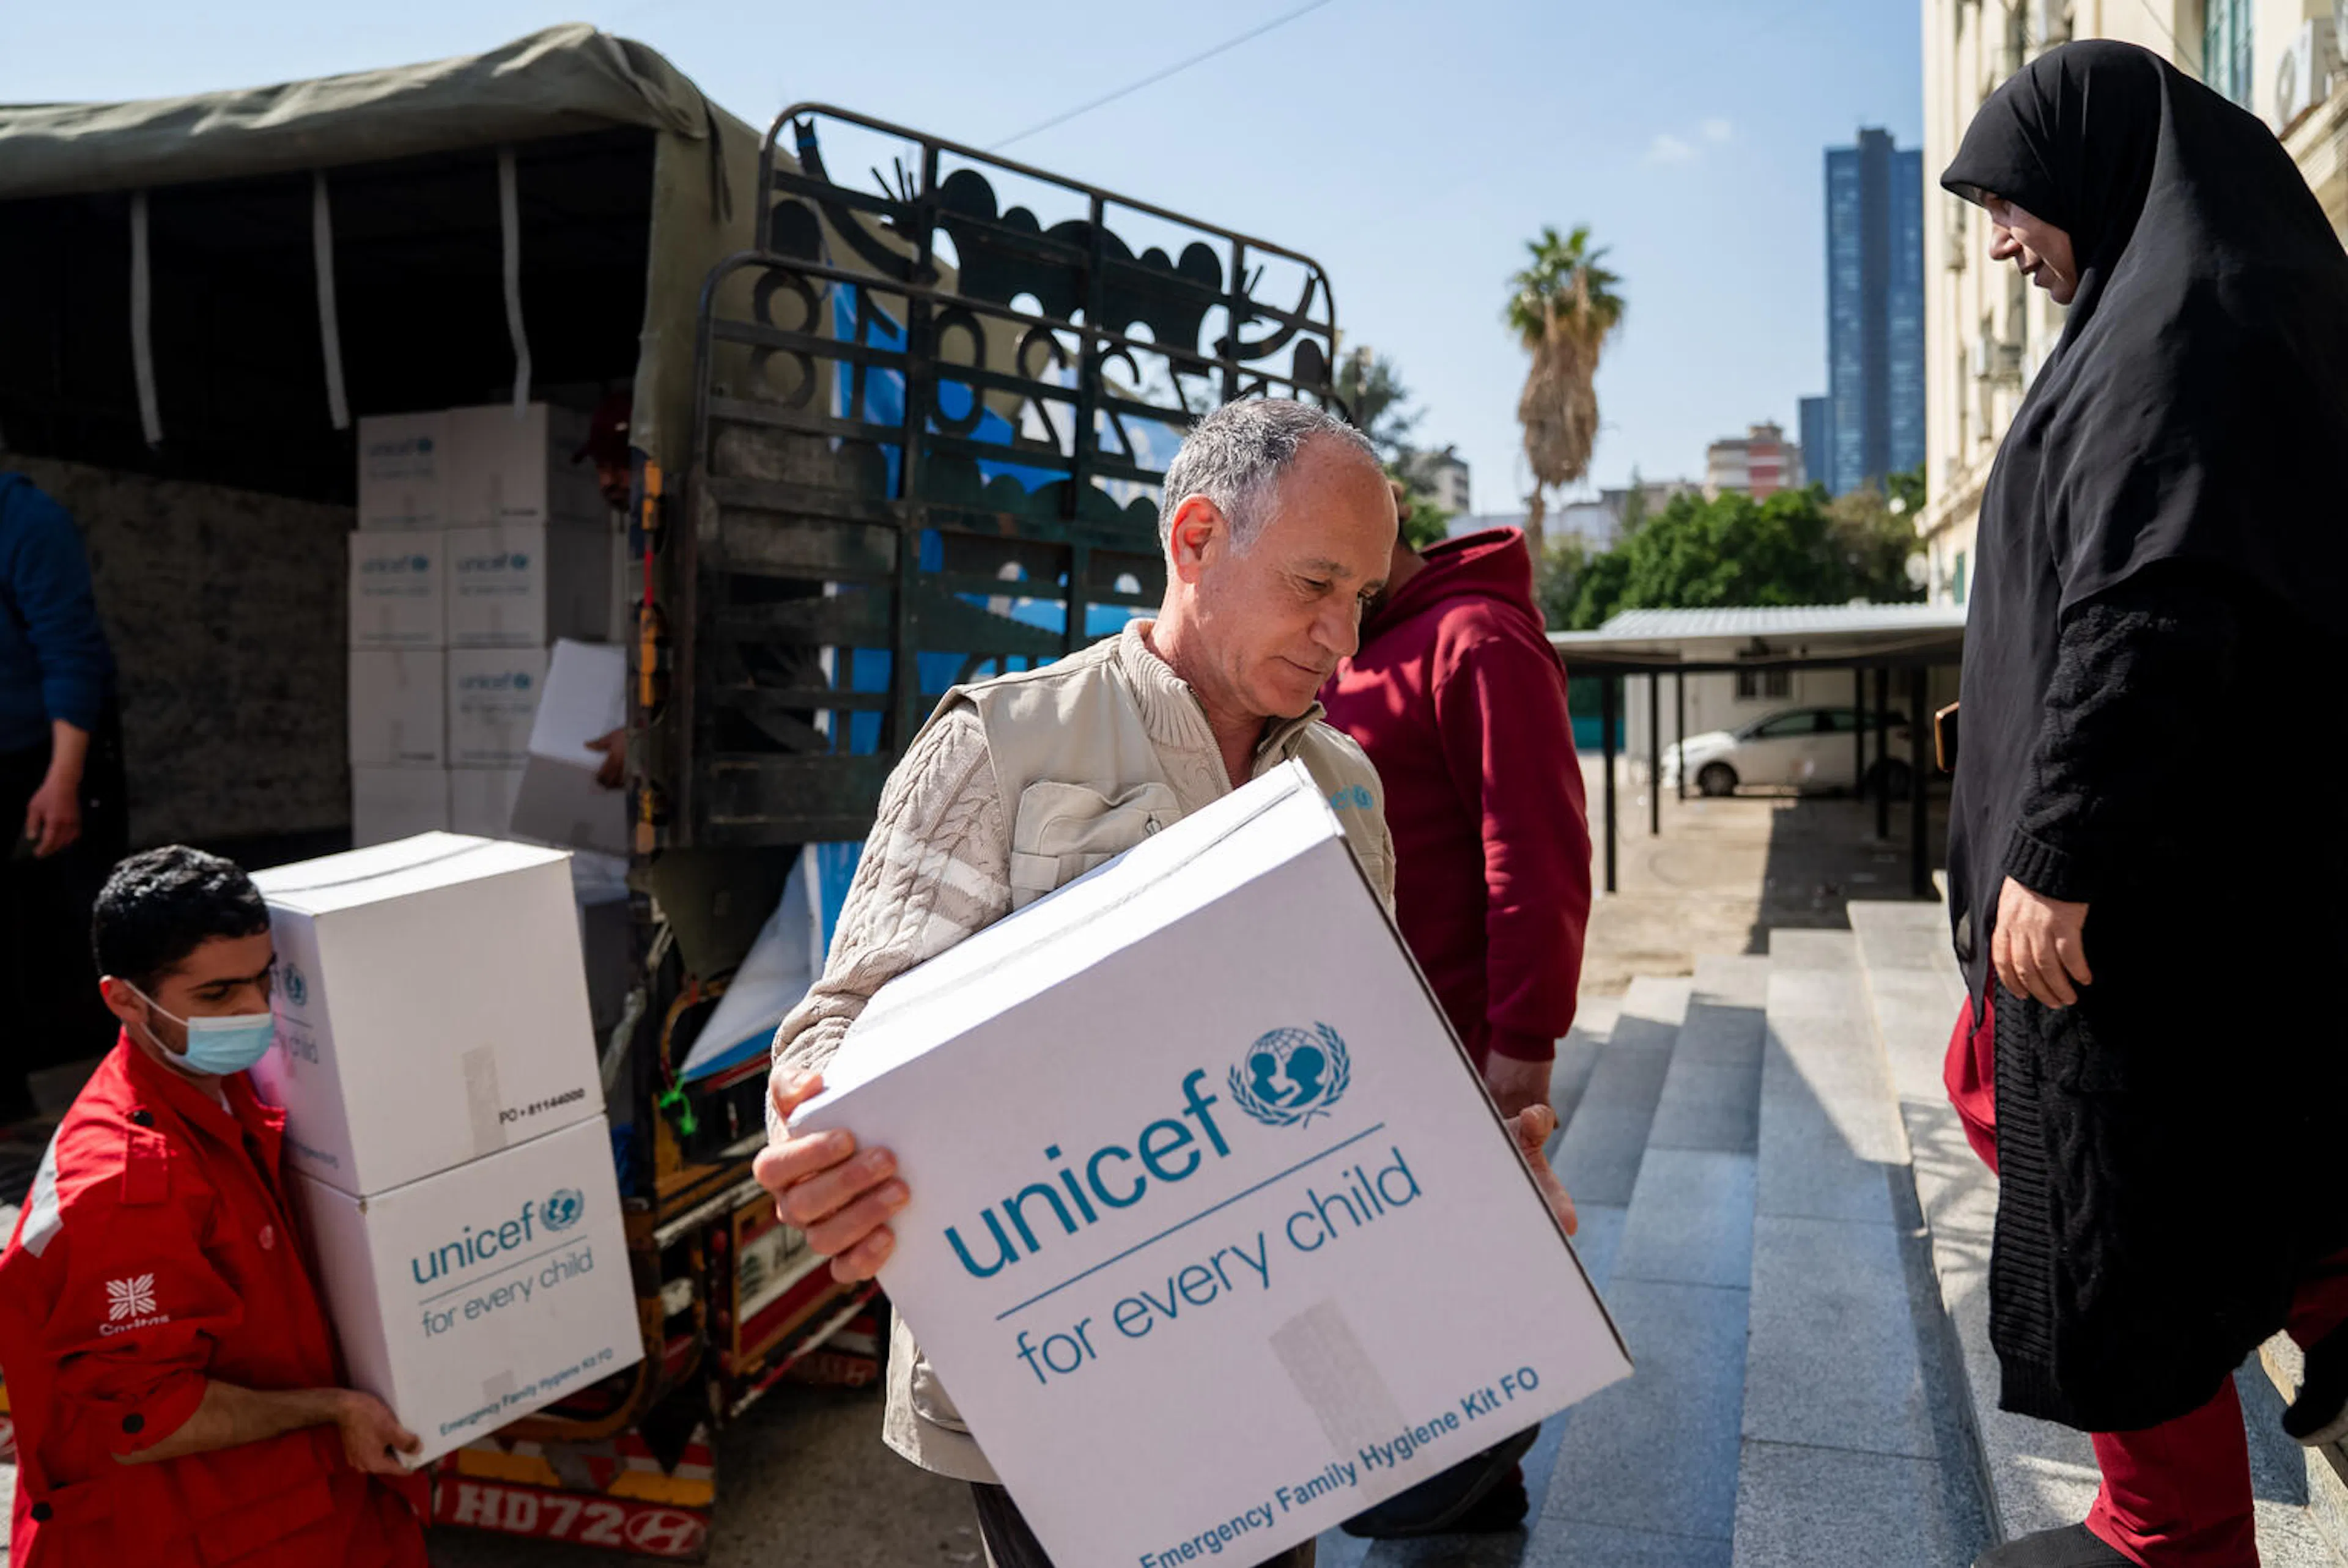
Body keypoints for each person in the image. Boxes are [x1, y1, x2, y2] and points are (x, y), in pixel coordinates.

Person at [751, 400, 1581, 1568]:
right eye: (1314, 586)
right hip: (1061, 1369)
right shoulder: (1002, 747)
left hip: (1280, 1346)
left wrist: (1471, 1173)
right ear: (1195, 540)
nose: (1345, 636)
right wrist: (818, 1134)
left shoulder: (1344, 782)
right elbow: (836, 1028)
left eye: (1363, 598)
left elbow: (1361, 1055)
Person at [1940, 42, 2348, 1568]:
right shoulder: (2197, 296)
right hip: (2215, 896)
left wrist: (2052, 846)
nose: (1997, 239)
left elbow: (2153, 601)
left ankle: (2169, 1525)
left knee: (2094, 1186)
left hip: (2142, 904)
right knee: (2151, 1157)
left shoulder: (2182, 323)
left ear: (2090, 171)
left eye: (2008, 201)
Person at [0, 846, 429, 1567]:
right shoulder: (125, 1187)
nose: (255, 1011)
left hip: (299, 1511)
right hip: (195, 1535)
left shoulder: (225, 1084)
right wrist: (332, 1408)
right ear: (125, 1000)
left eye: (265, 981)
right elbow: (147, 1417)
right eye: (218, 996)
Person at [1315, 498, 1592, 1537]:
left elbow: (1538, 852)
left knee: (1461, 1337)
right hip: (1353, 1058)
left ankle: (1478, 1510)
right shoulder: (1338, 649)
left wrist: (1521, 1052)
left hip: (1455, 1052)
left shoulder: (1476, 638)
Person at [1, 470, 126, 1118]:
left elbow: (69, 651)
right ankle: (10, 1113)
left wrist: (64, 779)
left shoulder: (28, 522)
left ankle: (133, 1091)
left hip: (56, 747)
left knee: (92, 921)